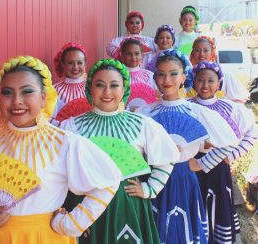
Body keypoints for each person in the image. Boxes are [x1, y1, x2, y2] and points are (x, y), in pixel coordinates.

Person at [0, 55, 121, 244]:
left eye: (27, 91)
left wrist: (72, 224)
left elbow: (108, 181)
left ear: (43, 98)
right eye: (7, 92)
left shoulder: (64, 143)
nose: (17, 100)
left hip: (44, 236)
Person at [60, 58, 180, 244]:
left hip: (127, 203)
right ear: (90, 89)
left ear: (124, 90)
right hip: (84, 205)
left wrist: (150, 188)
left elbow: (168, 157)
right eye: (100, 85)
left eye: (114, 85)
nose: (107, 92)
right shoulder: (71, 126)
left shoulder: (141, 123)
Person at [137, 49, 239, 244]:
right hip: (151, 179)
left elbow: (229, 141)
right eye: (161, 73)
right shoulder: (145, 112)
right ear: (155, 77)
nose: (167, 79)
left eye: (173, 73)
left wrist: (201, 164)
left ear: (184, 77)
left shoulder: (195, 111)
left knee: (180, 227)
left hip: (182, 178)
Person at [189, 61, 258, 244]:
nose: (205, 85)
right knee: (195, 202)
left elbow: (252, 132)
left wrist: (232, 155)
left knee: (216, 202)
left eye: (210, 80)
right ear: (193, 82)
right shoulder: (186, 106)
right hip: (191, 164)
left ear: (219, 83)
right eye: (200, 80)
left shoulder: (229, 107)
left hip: (219, 165)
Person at [189, 35, 250, 102]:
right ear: (193, 52)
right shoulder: (187, 75)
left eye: (206, 50)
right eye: (197, 50)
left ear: (212, 52)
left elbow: (238, 101)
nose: (202, 54)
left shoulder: (225, 75)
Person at [51, 42, 90, 125]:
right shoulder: (54, 90)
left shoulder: (92, 87)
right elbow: (50, 118)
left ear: (85, 64)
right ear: (63, 64)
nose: (75, 67)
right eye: (70, 63)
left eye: (79, 63)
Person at [119, 37, 158, 110]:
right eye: (129, 54)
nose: (133, 57)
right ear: (122, 55)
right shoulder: (117, 76)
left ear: (141, 55)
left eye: (137, 54)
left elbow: (157, 97)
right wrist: (130, 108)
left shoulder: (149, 75)